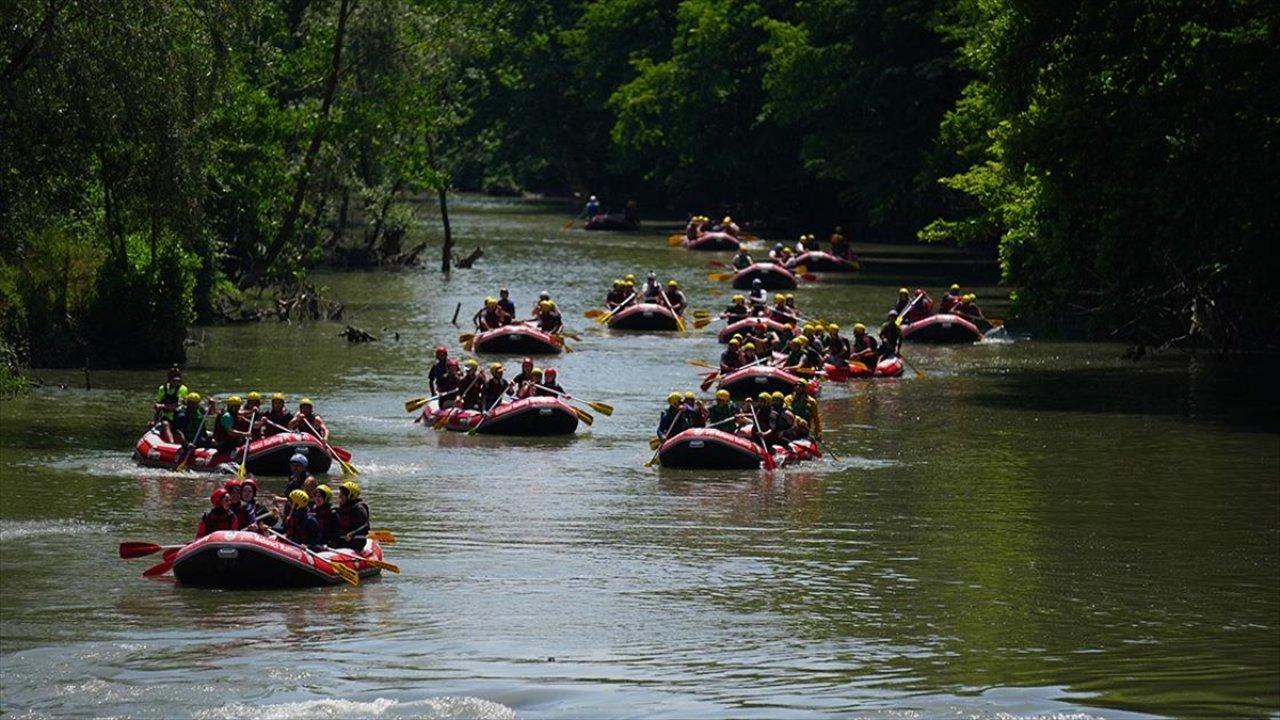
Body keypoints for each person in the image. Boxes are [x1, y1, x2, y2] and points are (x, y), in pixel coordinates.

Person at [336, 481, 370, 551]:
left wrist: (352, 534)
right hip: (343, 539)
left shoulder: (359, 508)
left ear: (350, 495)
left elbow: (366, 526)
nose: (339, 496)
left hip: (356, 541)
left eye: (342, 494)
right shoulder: (342, 507)